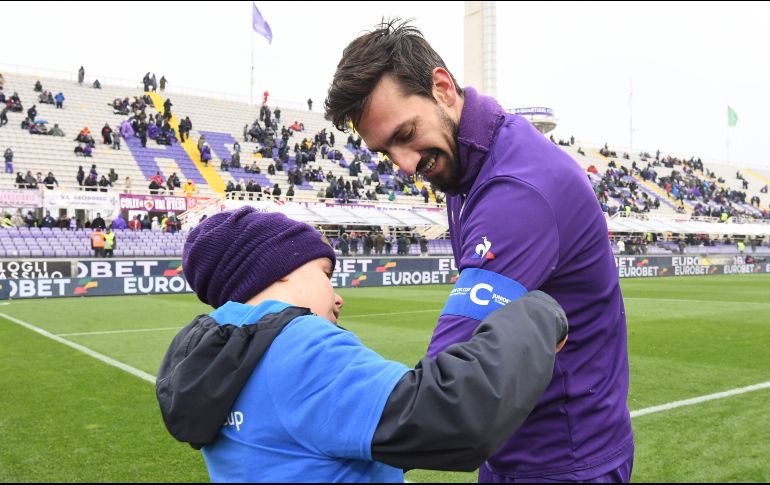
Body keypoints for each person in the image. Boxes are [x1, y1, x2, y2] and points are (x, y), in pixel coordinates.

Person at [324, 19, 633, 482]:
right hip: (514, 447)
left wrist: (314, 422)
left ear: (443, 88)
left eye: (406, 134)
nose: (406, 165)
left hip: (564, 461)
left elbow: (442, 398)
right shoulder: (464, 161)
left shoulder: (517, 189)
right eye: (387, 151)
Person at [156, 207, 568, 483]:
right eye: (324, 273)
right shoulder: (295, 345)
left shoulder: (220, 359)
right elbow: (452, 416)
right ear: (277, 273)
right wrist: (538, 313)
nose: (338, 297)